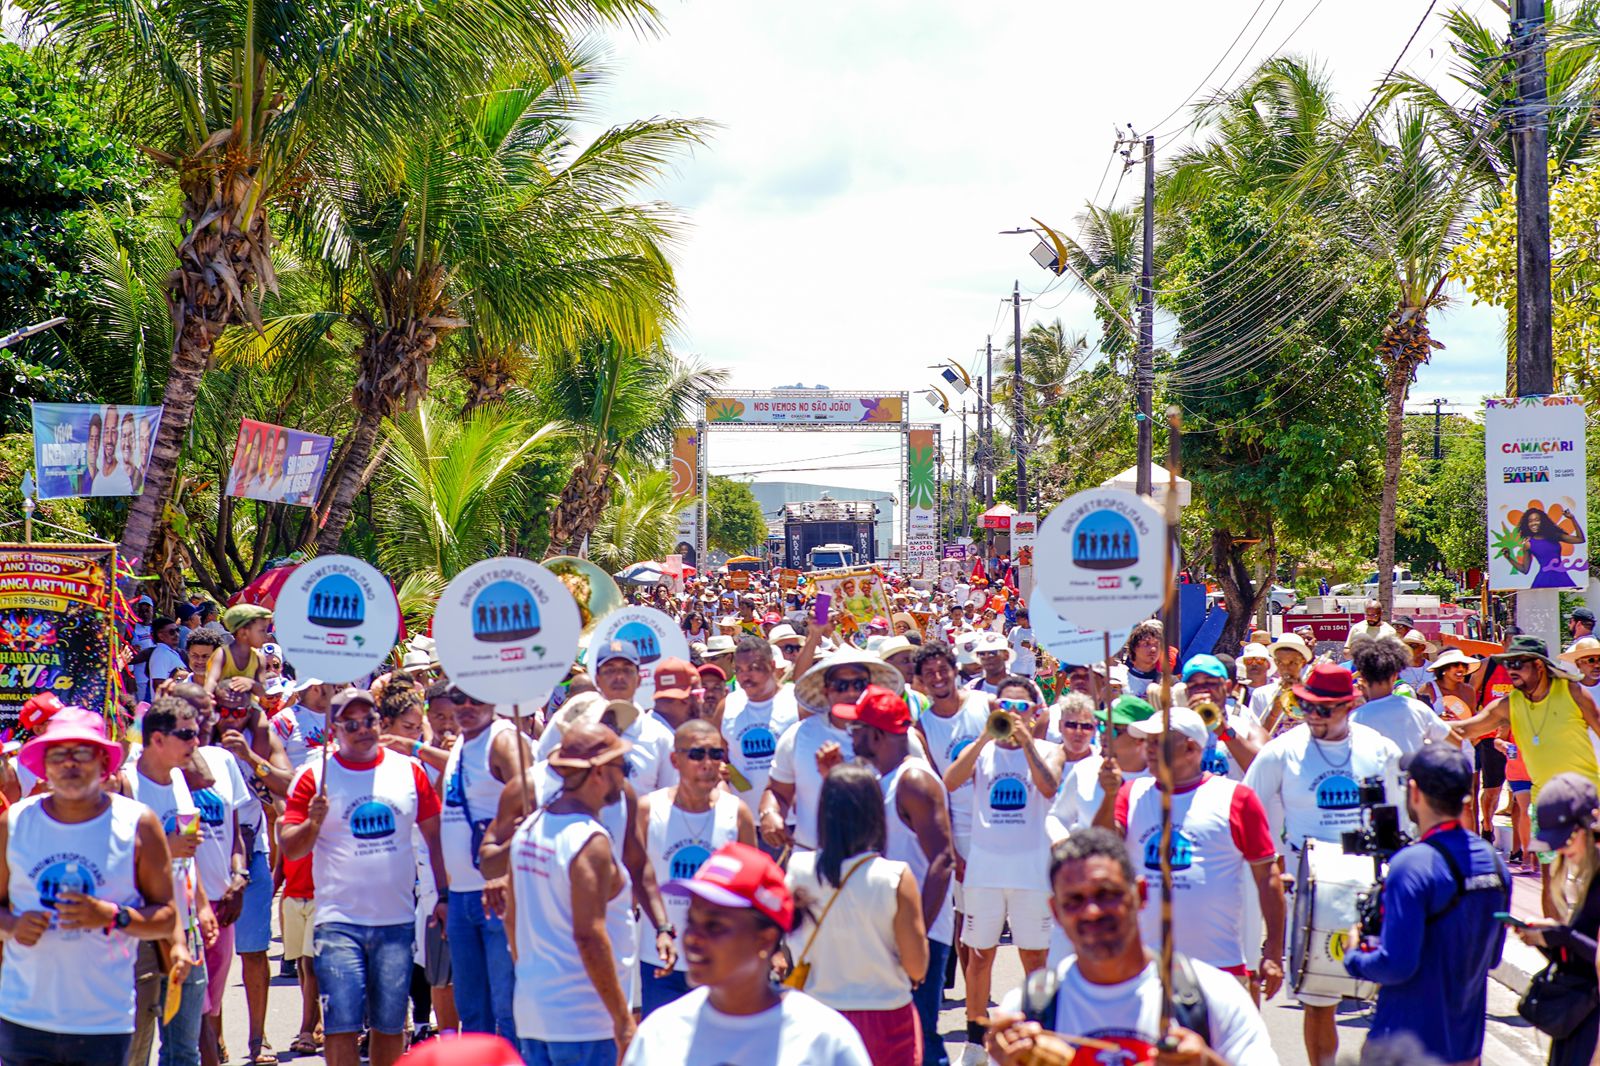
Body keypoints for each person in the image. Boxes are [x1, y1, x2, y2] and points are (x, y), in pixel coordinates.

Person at [984, 830, 1276, 1066]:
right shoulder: (1029, 1010)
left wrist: (1207, 1063)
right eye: (1074, 900)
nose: (1092, 912)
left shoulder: (1213, 997)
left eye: (1106, 894)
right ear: (1056, 912)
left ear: (1140, 894)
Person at [1242, 662, 1403, 1066]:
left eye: (1324, 709)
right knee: (1319, 998)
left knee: (1389, 999)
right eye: (1306, 706)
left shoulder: (1379, 748)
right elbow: (1246, 812)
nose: (1313, 716)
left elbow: (1402, 818)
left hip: (1372, 889)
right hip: (1312, 893)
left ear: (1350, 704)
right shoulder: (1281, 752)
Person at [0, 707, 179, 1066]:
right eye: (57, 754)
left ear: (102, 761)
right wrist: (13, 925)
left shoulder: (138, 824)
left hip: (103, 1021)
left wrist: (112, 916)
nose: (69, 764)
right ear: (44, 765)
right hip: (22, 1016)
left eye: (81, 752)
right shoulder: (14, 822)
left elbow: (166, 918)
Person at [280, 688, 446, 1066]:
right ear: (334, 729)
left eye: (368, 720)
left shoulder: (408, 770)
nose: (362, 729)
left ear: (379, 722)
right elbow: (291, 847)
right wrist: (313, 822)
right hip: (339, 923)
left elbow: (435, 837)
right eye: (350, 723)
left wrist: (444, 897)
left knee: (389, 1026)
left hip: (396, 921)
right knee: (341, 1026)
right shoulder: (313, 776)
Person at [625, 842, 870, 1065]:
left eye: (715, 926)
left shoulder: (824, 1041)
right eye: (691, 921)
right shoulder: (660, 1034)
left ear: (765, 939)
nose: (692, 938)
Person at [1342, 744, 1509, 1066]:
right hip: (1465, 1047)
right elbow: (1491, 958)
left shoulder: (1412, 864)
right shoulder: (1494, 862)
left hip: (1404, 1047)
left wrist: (1354, 955)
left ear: (1415, 792)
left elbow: (1396, 965)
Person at [1115, 708, 1286, 997]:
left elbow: (1268, 876)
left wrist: (1273, 949)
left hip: (1219, 966)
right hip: (1142, 966)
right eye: (1147, 742)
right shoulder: (1130, 793)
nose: (1150, 750)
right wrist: (1108, 796)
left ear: (1192, 747)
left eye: (1159, 742)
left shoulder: (1236, 797)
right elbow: (1105, 846)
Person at [942, 676, 1062, 1053]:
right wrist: (982, 738)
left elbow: (1048, 786)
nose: (1013, 714)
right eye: (1004, 706)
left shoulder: (1049, 749)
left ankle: (1037, 1038)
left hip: (1032, 873)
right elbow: (950, 781)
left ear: (1037, 712)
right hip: (985, 873)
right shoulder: (983, 750)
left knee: (1035, 958)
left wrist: (1026, 743)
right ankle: (976, 1041)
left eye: (1021, 707)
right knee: (979, 956)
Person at [506, 722, 637, 1065]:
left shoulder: (529, 827)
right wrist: (623, 1021)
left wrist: (538, 979)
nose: (625, 777)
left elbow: (512, 919)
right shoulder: (588, 841)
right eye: (621, 767)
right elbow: (589, 936)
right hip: (585, 1022)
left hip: (536, 1011)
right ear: (598, 773)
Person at [838, 685, 955, 1066]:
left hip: (917, 935)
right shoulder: (886, 779)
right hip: (891, 932)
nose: (849, 735)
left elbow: (943, 861)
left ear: (876, 734)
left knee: (921, 1039)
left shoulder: (913, 781)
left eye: (856, 728)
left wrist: (915, 936)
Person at [786, 765, 928, 1064]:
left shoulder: (797, 870)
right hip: (886, 1015)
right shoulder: (896, 877)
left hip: (815, 1013)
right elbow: (917, 966)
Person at [636, 720, 752, 1015]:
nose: (708, 763)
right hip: (660, 959)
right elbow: (634, 877)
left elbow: (752, 888)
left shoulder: (736, 813)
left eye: (716, 754)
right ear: (675, 760)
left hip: (721, 961)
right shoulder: (648, 811)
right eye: (697, 754)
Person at [437, 683, 526, 1040]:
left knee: (508, 1009)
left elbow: (531, 806)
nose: (467, 705)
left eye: (477, 696)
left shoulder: (503, 739)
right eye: (459, 698)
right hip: (461, 896)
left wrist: (507, 873)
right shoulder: (462, 741)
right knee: (473, 1011)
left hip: (498, 894)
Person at [125, 697, 212, 1066]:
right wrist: (165, 848)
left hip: (186, 926)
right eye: (186, 735)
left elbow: (187, 856)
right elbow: (111, 859)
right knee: (136, 1048)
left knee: (183, 1050)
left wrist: (204, 905)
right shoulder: (125, 784)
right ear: (156, 739)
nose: (195, 743)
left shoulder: (178, 776)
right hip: (142, 929)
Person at [763, 649, 901, 851]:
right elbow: (778, 792)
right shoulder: (797, 736)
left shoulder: (895, 737)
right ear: (826, 690)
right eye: (841, 686)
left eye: (860, 684)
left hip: (879, 861)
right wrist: (770, 813)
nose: (851, 692)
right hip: (813, 860)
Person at [1512, 773, 1600, 1066]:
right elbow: (1582, 959)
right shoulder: (1587, 876)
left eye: (1566, 839)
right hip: (1580, 1022)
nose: (1561, 849)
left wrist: (1562, 935)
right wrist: (1545, 939)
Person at [540, 641, 676, 791]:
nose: (619, 677)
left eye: (627, 670)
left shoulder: (659, 737)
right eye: (610, 670)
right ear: (597, 679)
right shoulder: (569, 721)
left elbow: (669, 796)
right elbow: (540, 771)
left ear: (639, 680)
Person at [721, 635, 799, 819]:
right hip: (744, 823)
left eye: (753, 668)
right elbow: (719, 754)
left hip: (794, 820)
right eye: (739, 670)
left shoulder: (796, 701)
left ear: (772, 666)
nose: (745, 676)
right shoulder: (726, 706)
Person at [1349, 635, 1452, 757]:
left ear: (1363, 678)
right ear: (1395, 675)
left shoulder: (1355, 718)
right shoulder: (1418, 709)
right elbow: (1453, 740)